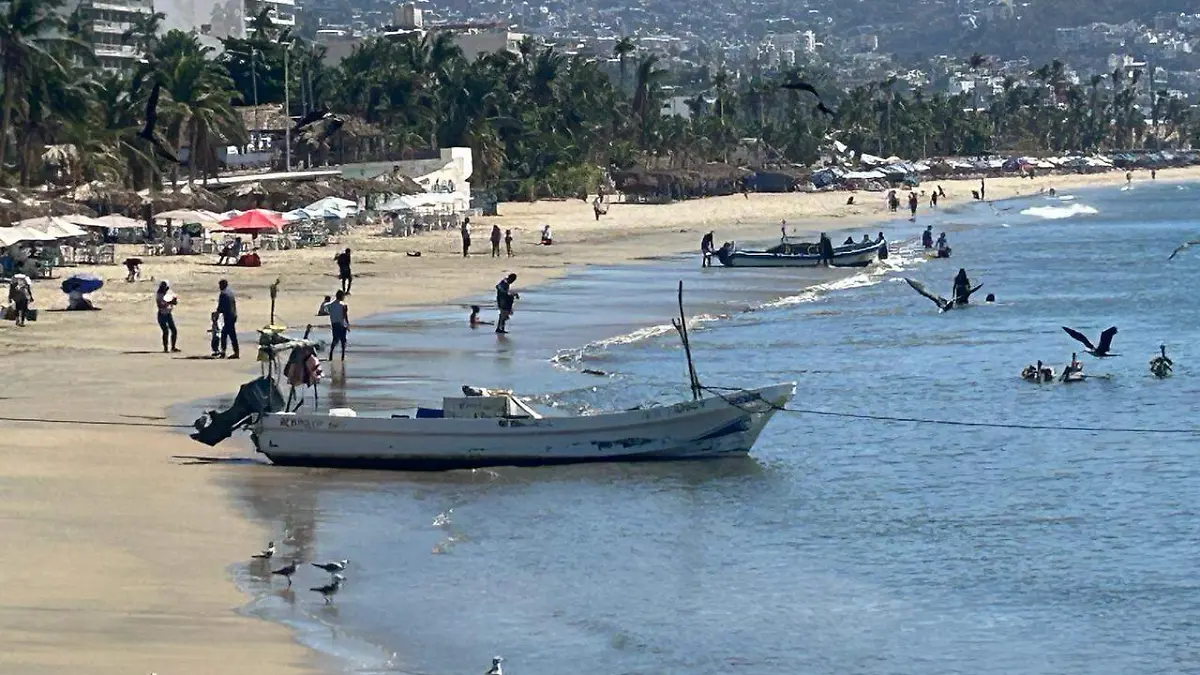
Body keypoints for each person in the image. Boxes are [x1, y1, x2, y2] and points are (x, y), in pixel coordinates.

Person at [215, 279, 239, 359]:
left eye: (220, 285)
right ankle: (232, 352)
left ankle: (225, 352)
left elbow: (220, 307)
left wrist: (216, 315)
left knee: (226, 335)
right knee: (230, 335)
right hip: (233, 315)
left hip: (228, 317)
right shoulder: (230, 292)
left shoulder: (223, 294)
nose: (219, 287)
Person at [155, 281, 179, 353]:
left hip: (168, 314)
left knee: (174, 330)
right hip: (162, 314)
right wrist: (170, 302)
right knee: (165, 331)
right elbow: (160, 305)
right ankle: (165, 348)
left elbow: (173, 302)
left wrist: (173, 301)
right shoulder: (159, 295)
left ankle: (173, 347)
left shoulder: (167, 294)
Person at [327, 290, 349, 361]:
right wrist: (347, 325)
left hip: (334, 324)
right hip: (341, 324)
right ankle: (342, 356)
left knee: (335, 339)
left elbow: (327, 310)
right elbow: (345, 316)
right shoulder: (343, 305)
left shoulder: (330, 305)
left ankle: (331, 354)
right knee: (343, 340)